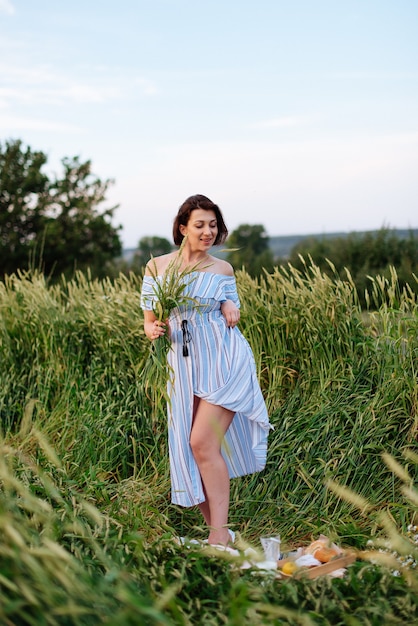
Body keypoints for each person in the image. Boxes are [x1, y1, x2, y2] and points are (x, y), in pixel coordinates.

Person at [141, 194, 272, 547]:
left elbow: (231, 308)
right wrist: (153, 330)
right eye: (199, 224)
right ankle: (221, 531)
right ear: (182, 228)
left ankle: (218, 536)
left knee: (202, 442)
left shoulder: (223, 269)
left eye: (213, 224)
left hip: (225, 361)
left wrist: (229, 305)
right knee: (190, 449)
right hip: (182, 368)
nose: (208, 231)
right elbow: (149, 321)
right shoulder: (157, 268)